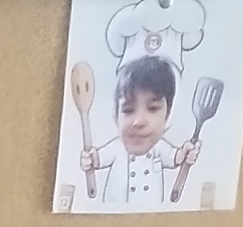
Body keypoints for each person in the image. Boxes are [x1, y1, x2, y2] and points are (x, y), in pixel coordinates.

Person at [74, 51, 202, 210]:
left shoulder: (160, 149)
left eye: (153, 108)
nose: (138, 121)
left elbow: (176, 157)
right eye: (128, 110)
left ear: (167, 115)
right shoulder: (117, 148)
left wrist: (186, 154)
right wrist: (89, 160)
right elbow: (96, 160)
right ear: (116, 116)